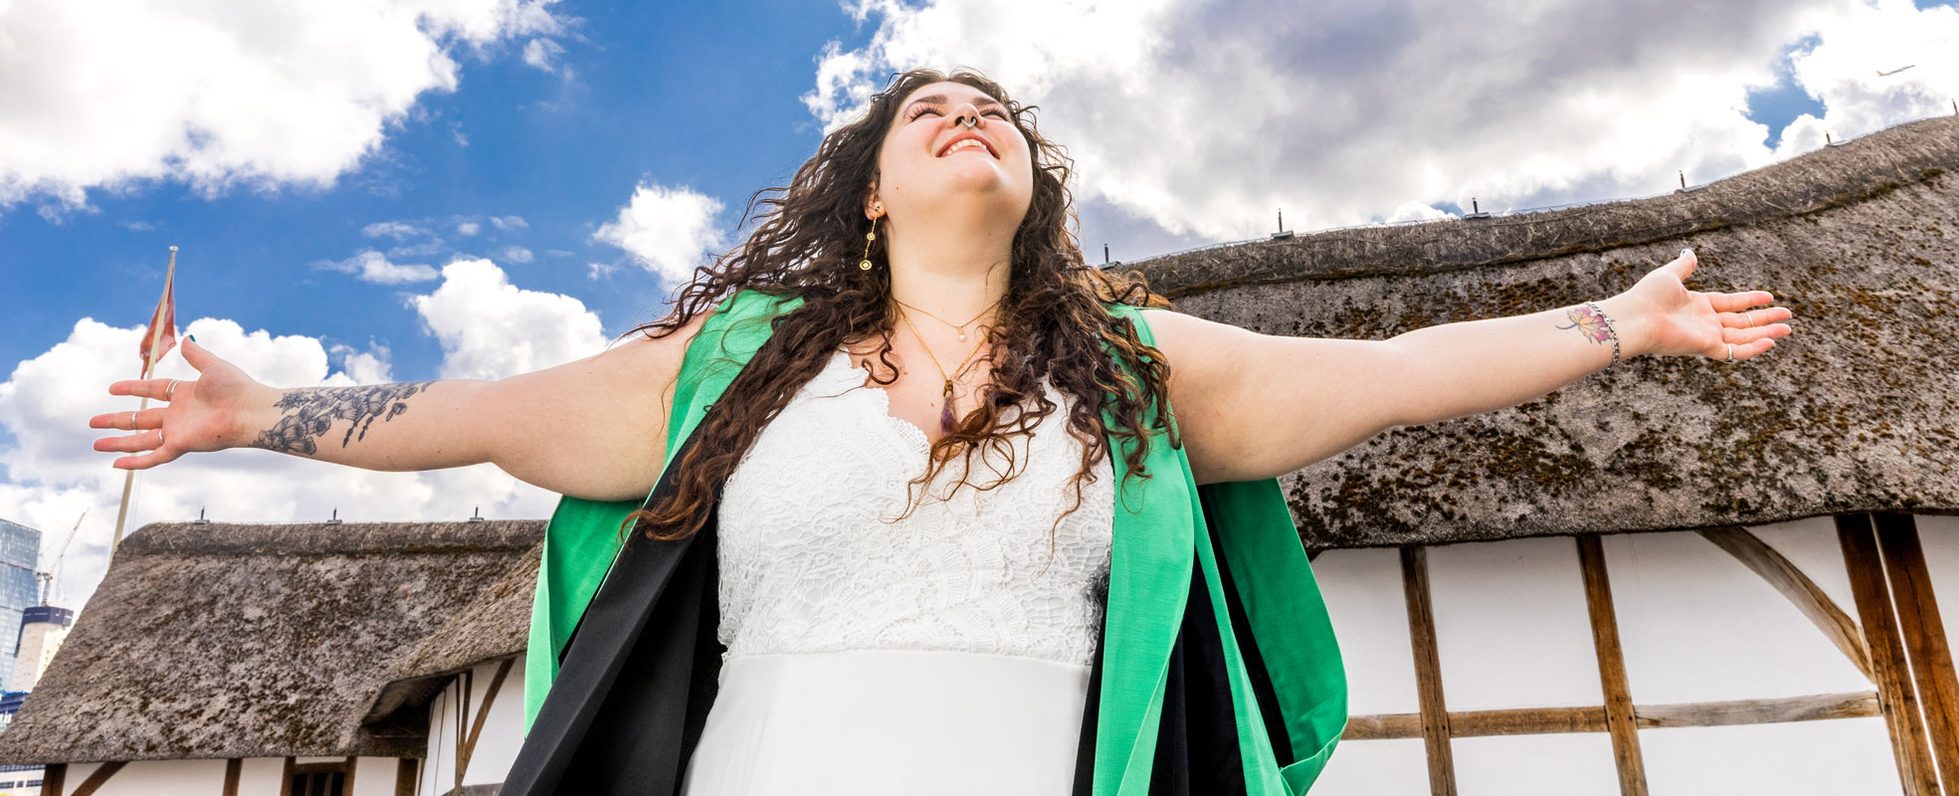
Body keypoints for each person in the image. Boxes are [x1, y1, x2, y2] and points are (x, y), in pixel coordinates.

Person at [90, 67, 1793, 794]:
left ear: (1030, 182)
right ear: (869, 193)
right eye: (924, 112)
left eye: (991, 113)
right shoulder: (736, 362)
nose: (965, 115)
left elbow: (1401, 366)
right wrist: (261, 414)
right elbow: (473, 418)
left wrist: (1614, 324)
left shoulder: (1133, 368)